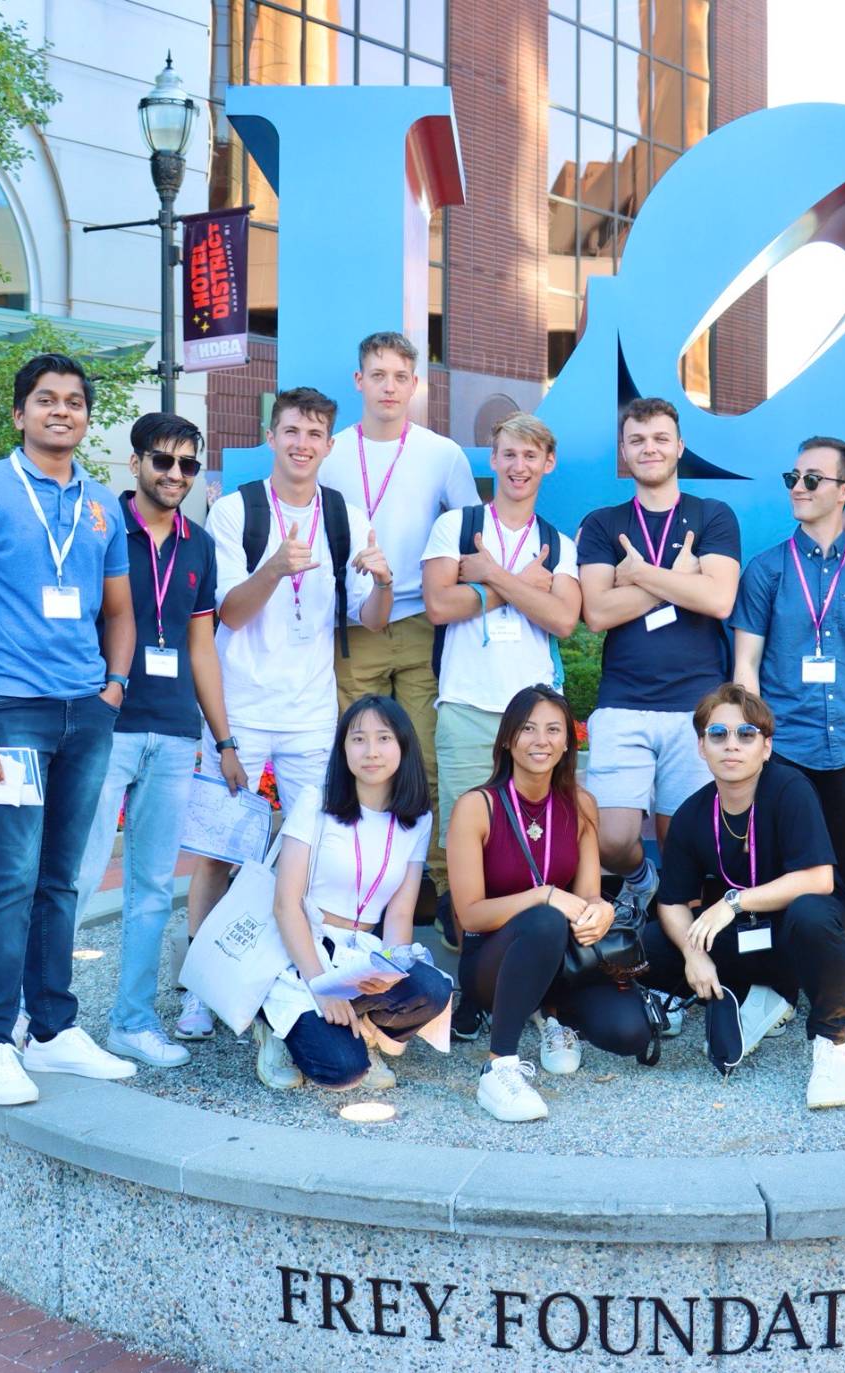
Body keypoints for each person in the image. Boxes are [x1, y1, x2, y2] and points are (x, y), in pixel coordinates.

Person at [0, 353, 139, 1106]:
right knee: (11, 875)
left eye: (74, 401)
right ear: (19, 414)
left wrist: (112, 687)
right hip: (8, 710)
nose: (61, 411)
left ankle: (51, 1030)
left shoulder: (101, 505)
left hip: (85, 711)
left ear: (86, 418)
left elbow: (119, 608)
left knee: (63, 877)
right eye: (45, 400)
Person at [179, 387, 393, 1040]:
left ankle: (307, 975)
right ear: (272, 436)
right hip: (240, 709)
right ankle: (199, 984)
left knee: (317, 851)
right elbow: (230, 614)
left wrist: (383, 580)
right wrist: (273, 567)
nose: (302, 443)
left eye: (315, 433)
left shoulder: (345, 516)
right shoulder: (235, 510)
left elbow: (371, 620)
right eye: (292, 430)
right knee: (218, 852)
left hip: (309, 714)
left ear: (331, 445)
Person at [65, 414, 245, 1069]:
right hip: (106, 728)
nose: (175, 474)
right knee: (76, 876)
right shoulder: (99, 527)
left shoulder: (199, 543)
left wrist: (222, 739)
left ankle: (133, 1022)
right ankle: (38, 1018)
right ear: (136, 462)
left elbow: (201, 646)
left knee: (148, 889)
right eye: (163, 461)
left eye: (187, 465)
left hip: (174, 735)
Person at [729, 436, 845, 1032]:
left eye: (812, 479)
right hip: (787, 751)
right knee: (785, 875)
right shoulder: (767, 570)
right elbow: (746, 663)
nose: (798, 488)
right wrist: (750, 738)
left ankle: (843, 991)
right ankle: (777, 989)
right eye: (793, 477)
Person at [641, 684, 845, 1109]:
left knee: (811, 913)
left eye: (746, 734)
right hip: (749, 937)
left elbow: (819, 879)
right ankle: (762, 994)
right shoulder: (693, 813)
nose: (732, 745)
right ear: (701, 747)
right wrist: (694, 956)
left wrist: (732, 903)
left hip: (808, 934)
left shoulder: (789, 789)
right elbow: (672, 902)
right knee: (654, 942)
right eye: (718, 734)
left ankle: (832, 1049)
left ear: (766, 747)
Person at [323, 331, 480, 904]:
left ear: (416, 386)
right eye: (378, 374)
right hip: (355, 626)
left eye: (400, 377)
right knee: (359, 754)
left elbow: (470, 538)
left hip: (421, 622)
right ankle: (361, 878)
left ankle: (436, 882)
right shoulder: (330, 449)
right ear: (359, 381)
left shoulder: (443, 453)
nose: (389, 386)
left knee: (425, 754)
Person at [576, 397, 742, 922]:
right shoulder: (603, 523)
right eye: (638, 440)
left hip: (697, 706)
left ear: (680, 447)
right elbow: (598, 611)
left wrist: (640, 574)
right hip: (623, 703)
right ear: (624, 453)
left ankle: (677, 961)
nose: (650, 448)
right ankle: (639, 882)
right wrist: (680, 578)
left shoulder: (712, 515)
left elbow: (719, 600)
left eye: (660, 439)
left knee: (684, 844)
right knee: (611, 838)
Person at [448, 685, 644, 1122]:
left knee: (629, 1032)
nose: (541, 740)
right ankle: (499, 1068)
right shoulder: (477, 807)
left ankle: (551, 1015)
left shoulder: (580, 803)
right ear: (507, 739)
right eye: (528, 728)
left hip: (564, 959)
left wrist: (603, 910)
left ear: (568, 741)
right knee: (543, 921)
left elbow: (591, 894)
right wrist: (544, 895)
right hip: (493, 965)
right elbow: (471, 914)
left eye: (554, 729)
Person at [422, 411, 581, 934]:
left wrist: (491, 574)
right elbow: (440, 606)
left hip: (534, 719)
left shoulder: (559, 545)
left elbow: (563, 619)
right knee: (465, 844)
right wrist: (513, 586)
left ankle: (529, 951)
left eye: (530, 456)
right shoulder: (459, 526)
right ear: (493, 460)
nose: (519, 466)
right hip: (467, 706)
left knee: (532, 837)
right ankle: (472, 962)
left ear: (548, 463)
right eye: (509, 454)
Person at [252, 696, 454, 1092]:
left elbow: (398, 915)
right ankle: (273, 1031)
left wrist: (389, 971)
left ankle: (363, 1029)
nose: (372, 751)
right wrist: (321, 986)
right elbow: (285, 904)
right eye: (359, 739)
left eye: (383, 738)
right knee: (343, 1072)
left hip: (361, 955)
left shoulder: (416, 820)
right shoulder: (317, 802)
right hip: (302, 952)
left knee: (432, 989)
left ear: (403, 746)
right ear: (343, 748)